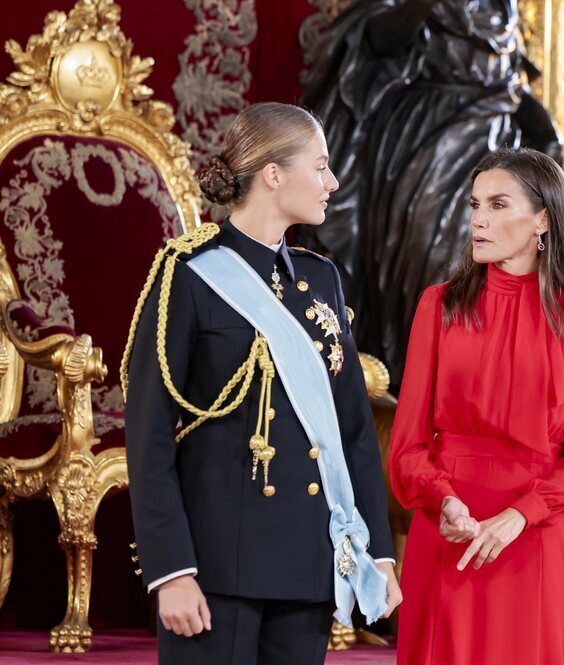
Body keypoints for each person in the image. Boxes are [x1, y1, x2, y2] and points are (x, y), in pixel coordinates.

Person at [122, 102, 401, 665]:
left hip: (306, 561)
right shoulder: (189, 272)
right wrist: (171, 570)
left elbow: (353, 434)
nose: (332, 181)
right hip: (215, 564)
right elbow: (148, 435)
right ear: (274, 174)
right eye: (320, 166)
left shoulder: (320, 280)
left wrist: (379, 555)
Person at [389, 148, 564, 664]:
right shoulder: (438, 305)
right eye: (474, 205)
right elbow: (407, 446)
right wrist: (442, 500)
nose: (479, 219)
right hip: (449, 534)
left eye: (497, 204)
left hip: (532, 536)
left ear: (542, 220)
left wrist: (519, 515)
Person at [300, 0, 561, 386]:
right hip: (427, 134)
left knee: (494, 267)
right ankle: (419, 383)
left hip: (493, 133)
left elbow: (508, 74)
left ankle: (472, 388)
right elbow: (372, 38)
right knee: (433, 256)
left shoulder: (504, 7)